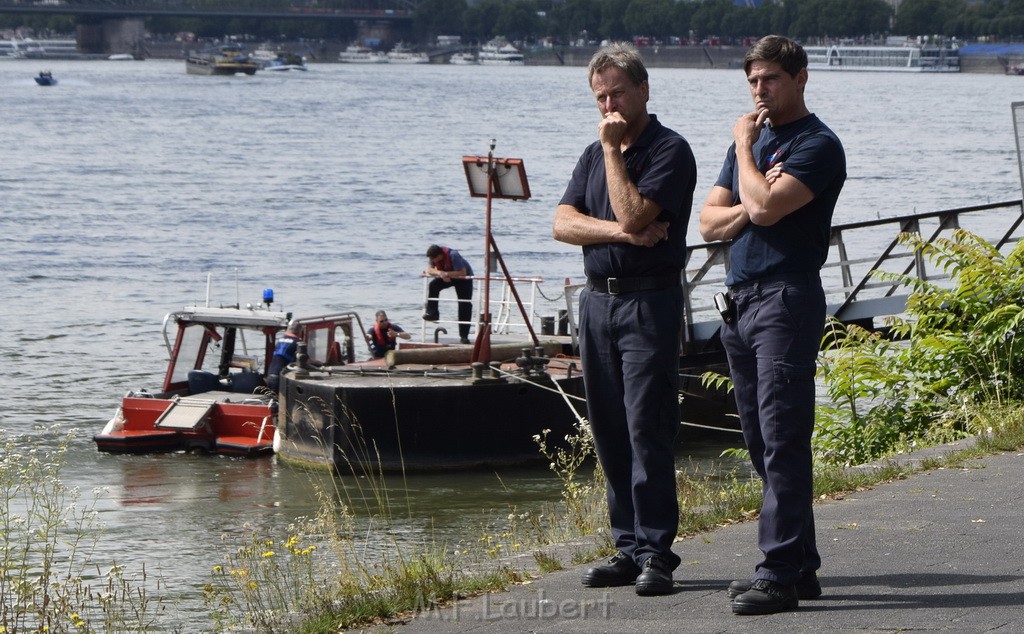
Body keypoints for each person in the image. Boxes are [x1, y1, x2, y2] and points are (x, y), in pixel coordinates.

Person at [698, 35, 846, 615]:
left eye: (771, 80)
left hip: (786, 297)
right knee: (761, 441)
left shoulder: (818, 144)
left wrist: (743, 150)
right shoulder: (756, 145)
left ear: (800, 77)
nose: (759, 92)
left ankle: (778, 573)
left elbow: (761, 210)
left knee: (784, 437)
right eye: (753, 81)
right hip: (740, 301)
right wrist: (751, 181)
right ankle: (801, 567)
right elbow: (711, 221)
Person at [553, 42, 697, 597]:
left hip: (648, 302)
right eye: (599, 96)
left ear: (642, 89)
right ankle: (627, 547)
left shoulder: (669, 150)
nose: (607, 104)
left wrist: (614, 153)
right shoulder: (590, 154)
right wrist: (620, 232)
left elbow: (637, 209)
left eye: (616, 92)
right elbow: (562, 223)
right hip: (596, 302)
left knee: (647, 425)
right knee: (609, 427)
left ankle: (658, 553)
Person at [423, 244, 474, 344]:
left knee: (464, 304)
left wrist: (446, 274)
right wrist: (440, 273)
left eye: (433, 259)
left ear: (439, 256)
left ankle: (464, 336)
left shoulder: (453, 255)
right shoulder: (433, 258)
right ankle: (433, 313)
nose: (432, 261)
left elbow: (462, 272)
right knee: (433, 285)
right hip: (448, 277)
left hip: (463, 279)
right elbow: (429, 269)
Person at [267, 320, 302, 392]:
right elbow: (305, 360)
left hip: (270, 375)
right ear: (300, 331)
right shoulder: (298, 343)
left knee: (273, 399)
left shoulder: (280, 340)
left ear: (288, 329)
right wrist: (319, 362)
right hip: (281, 378)